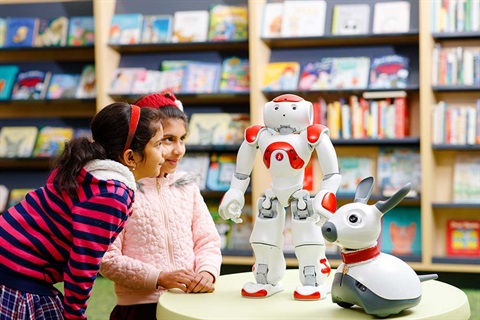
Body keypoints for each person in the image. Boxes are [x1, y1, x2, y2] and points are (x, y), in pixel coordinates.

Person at [0, 102, 166, 320]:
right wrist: (75, 316)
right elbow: (83, 263)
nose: (165, 152)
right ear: (130, 158)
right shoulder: (111, 194)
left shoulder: (91, 172)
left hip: (15, 265)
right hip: (16, 273)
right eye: (159, 144)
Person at [100, 92, 222, 320]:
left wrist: (207, 272)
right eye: (167, 140)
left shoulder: (188, 187)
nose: (179, 150)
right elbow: (107, 258)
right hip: (139, 308)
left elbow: (207, 240)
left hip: (189, 303)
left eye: (182, 139)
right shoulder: (119, 191)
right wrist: (159, 277)